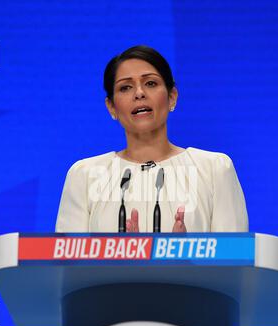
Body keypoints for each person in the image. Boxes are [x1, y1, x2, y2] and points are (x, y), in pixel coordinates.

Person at [55, 45, 248, 233]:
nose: (139, 93)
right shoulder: (85, 175)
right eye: (126, 87)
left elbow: (235, 260)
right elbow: (69, 263)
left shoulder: (213, 170)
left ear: (172, 96)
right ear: (111, 106)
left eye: (150, 83)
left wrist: (184, 258)